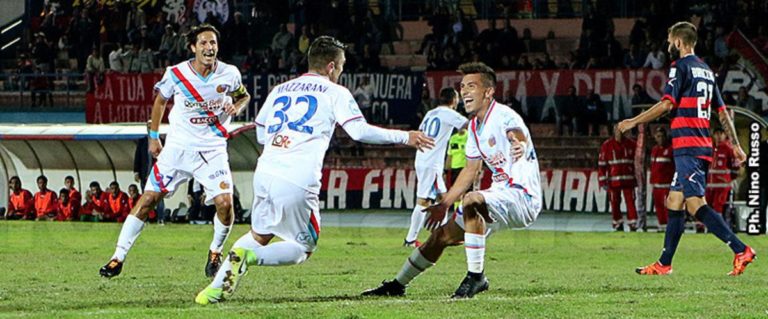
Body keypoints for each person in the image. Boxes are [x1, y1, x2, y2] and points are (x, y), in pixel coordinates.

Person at [194, 36, 434, 305]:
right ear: (331, 66)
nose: (341, 72)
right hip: (297, 178)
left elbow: (260, 134)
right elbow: (359, 131)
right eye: (341, 67)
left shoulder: (280, 90)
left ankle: (214, 289)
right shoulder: (335, 92)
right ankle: (248, 258)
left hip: (265, 173)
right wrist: (405, 137)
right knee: (302, 248)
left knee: (260, 235)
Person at [362, 62, 541, 299]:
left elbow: (515, 133)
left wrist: (519, 143)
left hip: (522, 196)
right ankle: (397, 285)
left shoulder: (504, 115)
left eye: (472, 86)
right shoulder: (475, 128)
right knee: (440, 236)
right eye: (462, 86)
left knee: (472, 200)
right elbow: (470, 170)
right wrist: (445, 204)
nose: (465, 91)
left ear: (488, 92)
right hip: (500, 195)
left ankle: (476, 277)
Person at [100, 24, 251, 279]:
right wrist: (154, 138)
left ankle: (215, 251)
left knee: (225, 205)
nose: (209, 47)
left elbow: (243, 95)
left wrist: (238, 106)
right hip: (178, 149)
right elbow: (160, 101)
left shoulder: (230, 73)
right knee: (147, 200)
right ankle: (117, 257)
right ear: (193, 48)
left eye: (212, 42)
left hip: (212, 150)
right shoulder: (177, 73)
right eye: (203, 43)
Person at [617, 21, 755, 276]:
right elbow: (723, 113)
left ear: (679, 42)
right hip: (698, 145)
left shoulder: (679, 67)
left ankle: (740, 248)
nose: (669, 45)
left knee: (694, 204)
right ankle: (664, 263)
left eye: (670, 41)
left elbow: (667, 104)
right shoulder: (706, 70)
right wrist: (735, 145)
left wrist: (633, 121)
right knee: (675, 201)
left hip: (689, 146)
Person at [404, 87, 468, 247]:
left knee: (443, 199)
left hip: (424, 159)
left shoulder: (430, 113)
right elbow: (467, 125)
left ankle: (443, 236)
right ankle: (410, 240)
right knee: (423, 201)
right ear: (453, 100)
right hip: (431, 163)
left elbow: (420, 134)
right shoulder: (449, 114)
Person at [598, 127, 638, 231]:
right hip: (613, 181)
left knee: (630, 202)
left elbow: (637, 163)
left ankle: (633, 223)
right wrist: (602, 181)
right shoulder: (607, 146)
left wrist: (637, 178)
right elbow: (602, 165)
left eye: (622, 130)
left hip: (629, 180)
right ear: (614, 131)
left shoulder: (632, 144)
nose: (620, 133)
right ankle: (617, 222)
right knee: (614, 202)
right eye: (617, 130)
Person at [705, 128, 739, 219]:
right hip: (709, 185)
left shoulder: (728, 148)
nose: (719, 136)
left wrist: (730, 179)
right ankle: (704, 227)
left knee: (718, 207)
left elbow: (735, 166)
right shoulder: (710, 148)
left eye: (721, 133)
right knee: (705, 206)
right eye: (716, 133)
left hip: (722, 185)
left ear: (725, 135)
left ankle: (718, 226)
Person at [649, 127, 674, 232]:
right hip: (656, 184)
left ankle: (670, 226)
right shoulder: (654, 150)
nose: (660, 138)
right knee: (658, 206)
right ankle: (662, 225)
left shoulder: (670, 149)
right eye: (658, 136)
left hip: (667, 184)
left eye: (662, 136)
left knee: (667, 207)